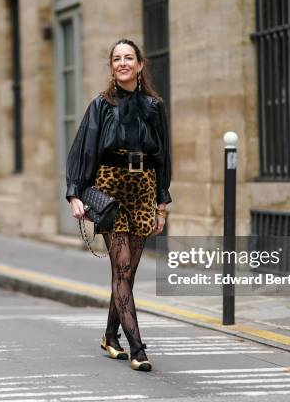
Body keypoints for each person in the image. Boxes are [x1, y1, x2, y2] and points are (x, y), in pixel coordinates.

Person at [65, 39, 172, 372]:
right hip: (110, 190)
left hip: (143, 189)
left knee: (127, 273)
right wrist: (75, 194)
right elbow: (82, 149)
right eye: (116, 59)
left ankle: (111, 336)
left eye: (129, 58)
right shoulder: (101, 104)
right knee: (122, 268)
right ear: (111, 67)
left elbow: (164, 158)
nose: (123, 63)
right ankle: (138, 348)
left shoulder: (155, 106)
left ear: (140, 65)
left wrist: (161, 204)